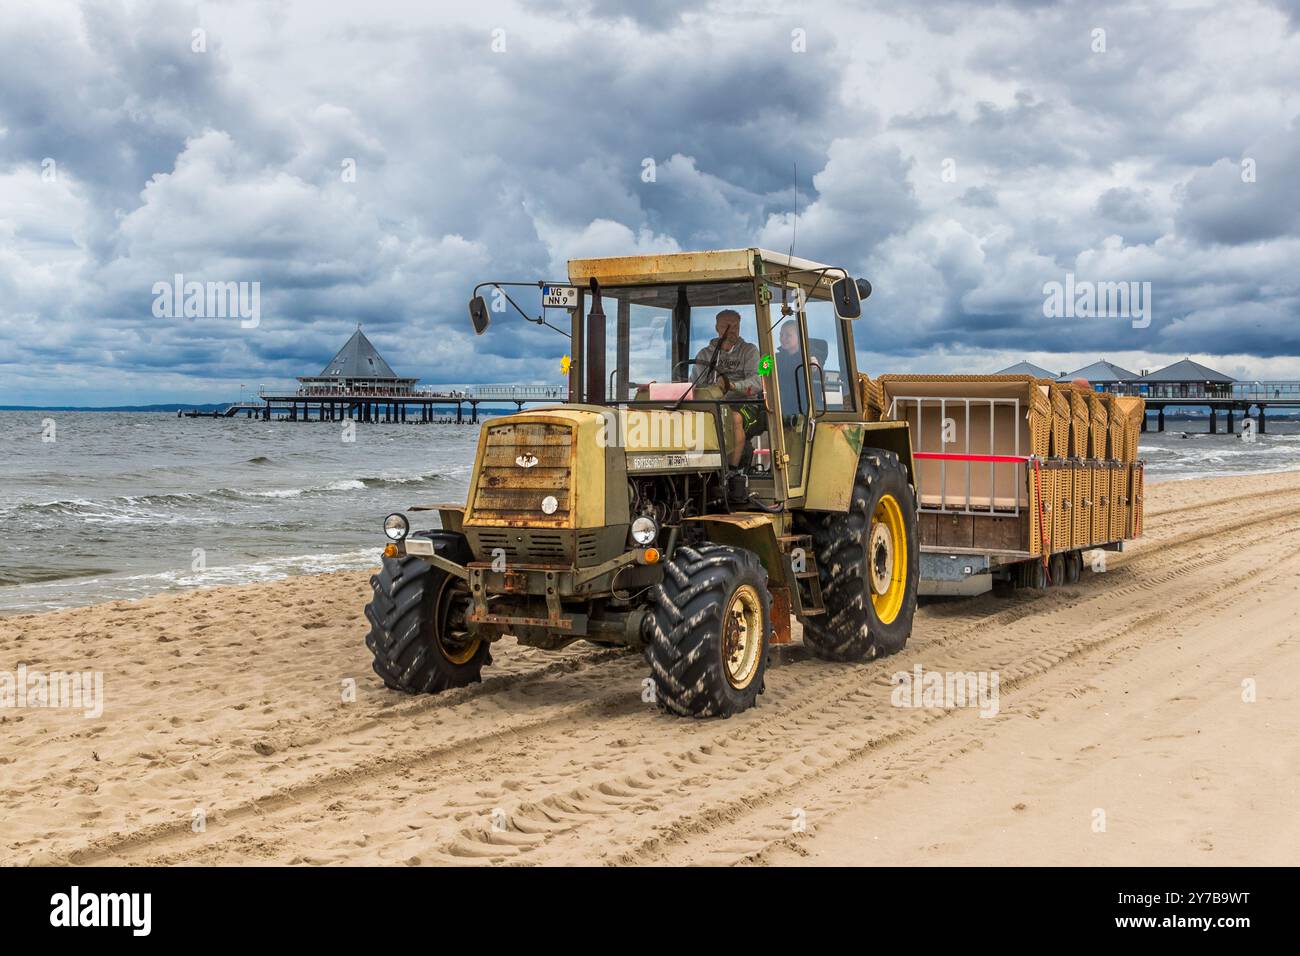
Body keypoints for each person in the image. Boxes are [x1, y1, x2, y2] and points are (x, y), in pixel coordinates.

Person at [694, 309, 760, 468]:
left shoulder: (750, 351)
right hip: (711, 404)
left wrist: (732, 385)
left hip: (744, 405)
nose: (732, 331)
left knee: (734, 418)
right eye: (726, 326)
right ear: (717, 328)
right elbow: (695, 384)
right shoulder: (704, 355)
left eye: (735, 326)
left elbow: (758, 382)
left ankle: (731, 471)